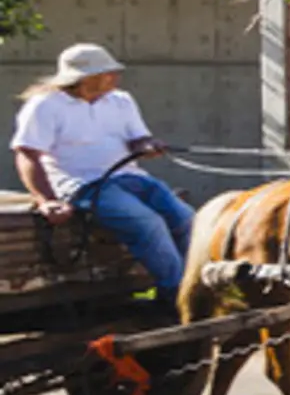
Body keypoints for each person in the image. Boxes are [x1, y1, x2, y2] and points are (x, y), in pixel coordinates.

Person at [10, 43, 193, 295]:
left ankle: (197, 286)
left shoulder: (121, 101)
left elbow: (138, 139)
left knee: (187, 219)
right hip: (86, 185)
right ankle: (178, 293)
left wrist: (148, 145)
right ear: (85, 78)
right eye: (108, 72)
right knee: (149, 224)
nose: (115, 77)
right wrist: (47, 200)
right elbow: (27, 154)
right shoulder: (45, 105)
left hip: (131, 176)